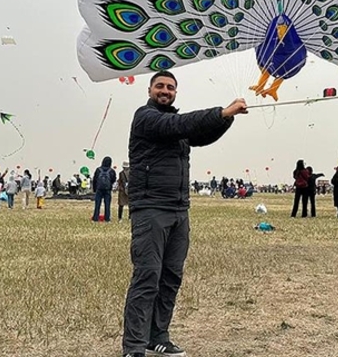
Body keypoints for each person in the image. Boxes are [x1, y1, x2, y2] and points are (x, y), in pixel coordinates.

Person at [121, 70, 246, 357]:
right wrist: (221, 112)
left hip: (179, 210)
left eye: (170, 87)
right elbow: (180, 124)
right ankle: (134, 346)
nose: (165, 91)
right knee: (147, 276)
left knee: (170, 277)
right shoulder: (146, 118)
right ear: (150, 90)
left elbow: (201, 135)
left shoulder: (177, 130)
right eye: (160, 86)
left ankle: (157, 337)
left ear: (176, 92)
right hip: (151, 209)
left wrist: (227, 118)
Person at [93, 156, 116, 222]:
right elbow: (113, 179)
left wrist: (95, 189)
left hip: (99, 189)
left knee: (97, 204)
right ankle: (107, 218)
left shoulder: (98, 170)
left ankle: (95, 217)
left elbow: (95, 180)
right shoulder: (111, 171)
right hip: (107, 190)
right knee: (107, 204)